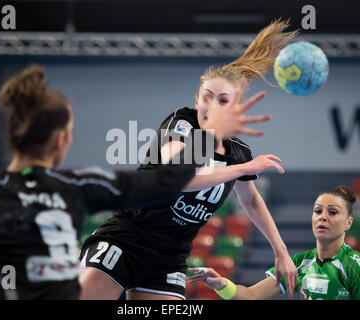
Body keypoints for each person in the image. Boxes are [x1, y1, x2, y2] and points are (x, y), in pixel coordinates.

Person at [0, 63, 273, 300]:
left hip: (163, 257)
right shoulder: (85, 185)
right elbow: (171, 178)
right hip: (121, 246)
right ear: (62, 141)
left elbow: (171, 177)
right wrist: (221, 140)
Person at [79, 19, 299, 300]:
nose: (212, 106)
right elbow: (177, 180)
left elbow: (252, 200)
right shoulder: (179, 124)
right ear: (196, 100)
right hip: (127, 238)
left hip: (169, 258)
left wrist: (281, 252)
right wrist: (243, 169)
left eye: (223, 100)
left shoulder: (239, 153)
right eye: (207, 97)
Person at [188, 186, 360, 300]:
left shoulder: (354, 265)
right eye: (318, 210)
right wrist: (222, 284)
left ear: (348, 223)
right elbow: (252, 295)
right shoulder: (300, 263)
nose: (323, 216)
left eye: (333, 212)